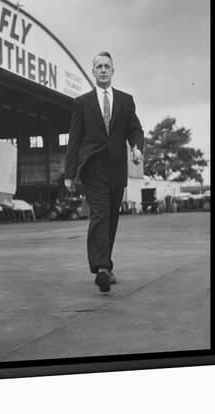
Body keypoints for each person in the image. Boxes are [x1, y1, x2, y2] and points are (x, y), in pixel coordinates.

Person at [64, 52, 144, 293]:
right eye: (98, 66)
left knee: (111, 218)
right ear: (93, 71)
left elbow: (135, 129)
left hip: (117, 168)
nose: (102, 70)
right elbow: (74, 140)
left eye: (106, 66)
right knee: (99, 215)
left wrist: (137, 148)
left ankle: (106, 265)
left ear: (112, 70)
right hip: (93, 168)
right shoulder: (82, 102)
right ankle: (100, 268)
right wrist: (69, 173)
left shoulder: (125, 101)